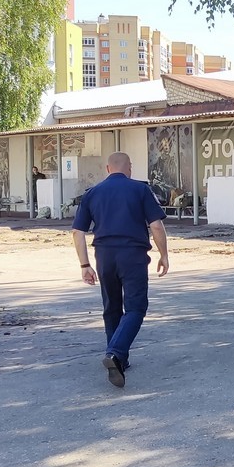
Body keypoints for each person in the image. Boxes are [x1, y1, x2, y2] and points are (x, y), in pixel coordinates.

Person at [71, 152, 170, 388]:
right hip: (132, 255)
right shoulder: (140, 190)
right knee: (136, 308)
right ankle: (115, 352)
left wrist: (85, 265)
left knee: (111, 307)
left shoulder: (92, 193)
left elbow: (77, 232)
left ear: (107, 169)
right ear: (130, 168)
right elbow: (156, 225)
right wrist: (164, 254)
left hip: (104, 256)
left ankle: (118, 359)